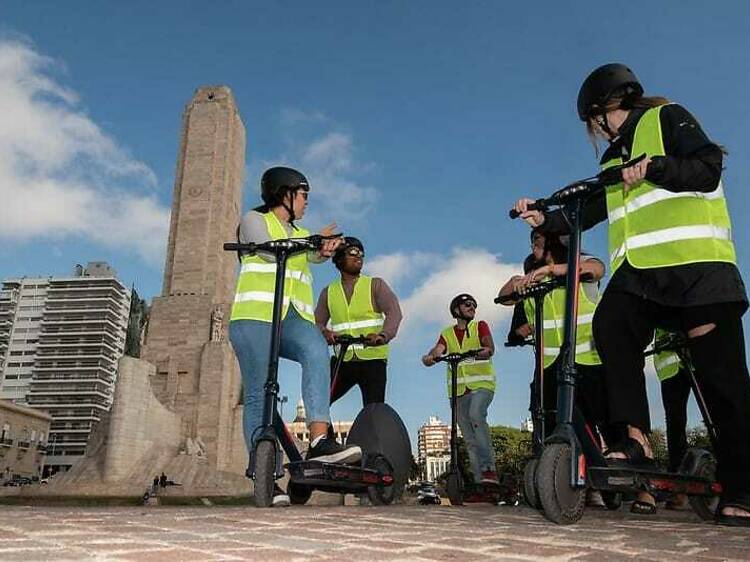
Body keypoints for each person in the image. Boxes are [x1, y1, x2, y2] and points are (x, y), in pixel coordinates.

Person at [512, 63, 750, 525]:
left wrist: (656, 167)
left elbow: (707, 167)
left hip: (698, 270)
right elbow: (594, 208)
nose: (595, 133)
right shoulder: (612, 161)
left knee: (724, 381)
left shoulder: (668, 118)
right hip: (643, 278)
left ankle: (743, 484)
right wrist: (544, 219)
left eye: (592, 124)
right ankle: (634, 439)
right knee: (611, 325)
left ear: (601, 112)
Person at [229, 166, 362, 508]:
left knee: (317, 351)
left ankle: (320, 441)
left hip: (290, 319)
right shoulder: (254, 220)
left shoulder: (301, 232)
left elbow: (313, 254)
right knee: (259, 395)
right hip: (255, 317)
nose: (306, 202)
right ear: (285, 194)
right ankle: (267, 480)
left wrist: (326, 247)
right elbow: (269, 248)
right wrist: (312, 240)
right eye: (303, 195)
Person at [421, 294, 499, 498]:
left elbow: (489, 347)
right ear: (456, 310)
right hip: (458, 390)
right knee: (468, 438)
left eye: (474, 304)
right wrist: (431, 357)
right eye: (467, 305)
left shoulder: (479, 326)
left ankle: (489, 468)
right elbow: (438, 349)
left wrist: (483, 351)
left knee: (476, 416)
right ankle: (479, 482)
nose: (472, 307)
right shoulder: (447, 333)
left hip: (482, 385)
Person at [315, 237, 403, 406]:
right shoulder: (329, 292)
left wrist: (383, 336)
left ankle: (372, 432)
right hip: (343, 359)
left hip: (372, 359)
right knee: (319, 402)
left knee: (374, 410)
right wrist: (325, 333)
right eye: (353, 253)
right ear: (339, 258)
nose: (359, 257)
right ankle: (326, 433)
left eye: (362, 254)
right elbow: (317, 322)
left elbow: (394, 312)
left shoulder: (375, 285)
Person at [653, 329, 691, 509]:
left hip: (698, 355)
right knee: (675, 423)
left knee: (718, 418)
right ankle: (677, 484)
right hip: (670, 361)